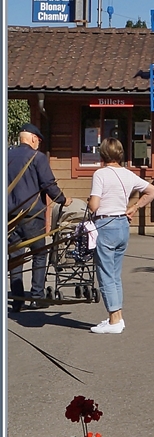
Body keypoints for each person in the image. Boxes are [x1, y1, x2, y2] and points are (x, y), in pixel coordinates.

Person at [87, 137, 154, 335]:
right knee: (115, 274)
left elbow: (94, 205)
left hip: (106, 224)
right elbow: (153, 190)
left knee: (105, 274)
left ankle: (114, 320)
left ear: (102, 154)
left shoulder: (100, 174)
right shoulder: (128, 174)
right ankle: (117, 316)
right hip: (122, 225)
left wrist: (88, 201)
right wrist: (134, 207)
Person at [7, 124, 67, 313]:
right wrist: (63, 199)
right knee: (39, 253)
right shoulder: (37, 157)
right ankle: (36, 297)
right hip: (33, 215)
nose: (39, 144)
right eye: (38, 141)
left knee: (15, 256)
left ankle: (17, 300)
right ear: (33, 138)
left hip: (10, 216)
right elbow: (48, 184)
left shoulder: (6, 156)